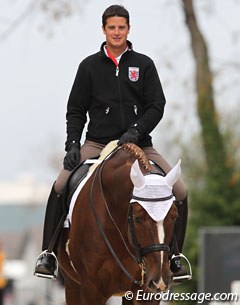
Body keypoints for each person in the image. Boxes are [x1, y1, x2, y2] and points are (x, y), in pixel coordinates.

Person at [34, 4, 191, 282]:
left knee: (180, 189)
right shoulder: (89, 67)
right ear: (104, 30)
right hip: (97, 144)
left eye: (121, 27)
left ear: (128, 29)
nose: (116, 32)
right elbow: (75, 110)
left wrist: (136, 130)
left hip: (140, 145)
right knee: (60, 184)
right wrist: (72, 144)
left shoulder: (144, 64)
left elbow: (157, 105)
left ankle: (175, 257)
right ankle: (49, 254)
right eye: (111, 27)